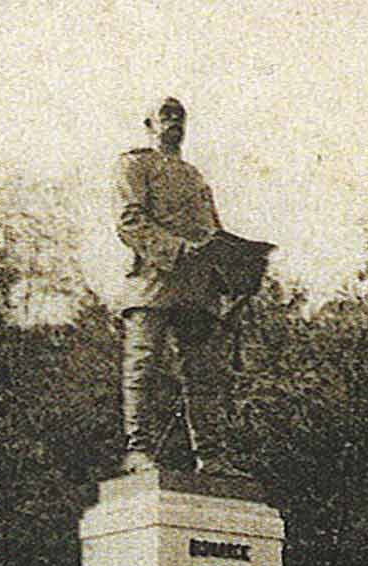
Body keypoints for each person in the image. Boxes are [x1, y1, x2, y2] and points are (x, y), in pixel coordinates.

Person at [112, 96, 272, 472]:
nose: (174, 121)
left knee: (204, 374)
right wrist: (179, 250)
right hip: (152, 282)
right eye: (165, 115)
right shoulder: (134, 164)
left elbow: (212, 232)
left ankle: (211, 456)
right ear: (149, 125)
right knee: (143, 367)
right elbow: (129, 221)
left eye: (179, 116)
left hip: (198, 289)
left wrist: (239, 268)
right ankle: (138, 450)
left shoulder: (195, 177)